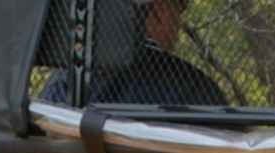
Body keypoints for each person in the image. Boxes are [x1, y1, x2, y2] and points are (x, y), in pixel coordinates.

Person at [42, 0, 227, 107]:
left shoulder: (60, 86)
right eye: (178, 12)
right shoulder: (193, 89)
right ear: (158, 11)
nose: (178, 26)